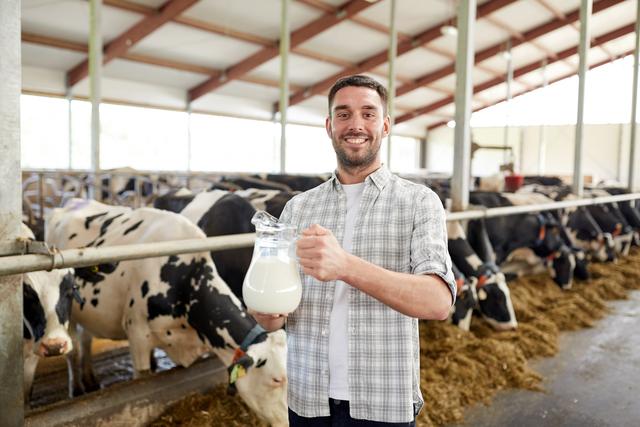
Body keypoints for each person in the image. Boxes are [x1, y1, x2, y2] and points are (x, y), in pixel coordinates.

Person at [251, 74, 456, 426]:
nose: (355, 124)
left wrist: (345, 265)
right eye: (343, 115)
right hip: (307, 397)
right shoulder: (298, 209)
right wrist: (267, 311)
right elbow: (276, 315)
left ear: (386, 125)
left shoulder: (419, 203)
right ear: (330, 126)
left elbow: (438, 302)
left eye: (368, 113)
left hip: (382, 400)